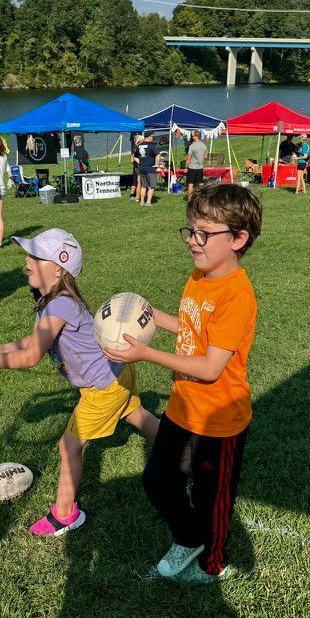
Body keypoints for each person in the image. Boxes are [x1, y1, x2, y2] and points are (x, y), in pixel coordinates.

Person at [0, 228, 159, 536]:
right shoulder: (53, 301)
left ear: (59, 269)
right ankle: (183, 454)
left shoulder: (58, 305)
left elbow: (31, 355)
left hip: (103, 387)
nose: (27, 261)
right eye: (28, 254)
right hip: (116, 372)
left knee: (69, 445)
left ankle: (65, 514)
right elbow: (30, 342)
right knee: (137, 415)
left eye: (36, 256)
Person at [104, 182, 261, 584]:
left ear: (238, 238)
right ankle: (189, 538)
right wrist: (154, 316)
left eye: (203, 234)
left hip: (219, 422)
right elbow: (193, 329)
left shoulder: (236, 295)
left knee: (212, 498)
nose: (192, 241)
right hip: (182, 408)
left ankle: (212, 566)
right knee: (158, 479)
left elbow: (210, 366)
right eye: (189, 231)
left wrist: (146, 354)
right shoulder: (199, 276)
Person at [136, 132, 159, 205]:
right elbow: (158, 155)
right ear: (147, 137)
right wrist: (157, 164)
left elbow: (135, 157)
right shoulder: (152, 145)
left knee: (143, 186)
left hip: (142, 168)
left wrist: (141, 162)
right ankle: (148, 202)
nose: (153, 138)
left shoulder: (139, 146)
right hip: (150, 168)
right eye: (152, 136)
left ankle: (142, 202)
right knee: (152, 186)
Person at [185, 130, 208, 201]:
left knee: (190, 184)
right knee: (200, 183)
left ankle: (189, 200)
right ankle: (201, 198)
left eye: (193, 136)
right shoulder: (204, 146)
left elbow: (188, 158)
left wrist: (186, 167)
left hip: (192, 167)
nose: (192, 137)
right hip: (200, 167)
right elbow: (205, 157)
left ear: (196, 136)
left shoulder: (192, 146)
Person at [129, 134, 142, 201]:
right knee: (135, 181)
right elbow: (132, 157)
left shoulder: (137, 146)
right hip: (136, 166)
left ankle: (135, 195)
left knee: (136, 181)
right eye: (139, 139)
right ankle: (132, 195)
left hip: (137, 165)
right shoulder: (135, 146)